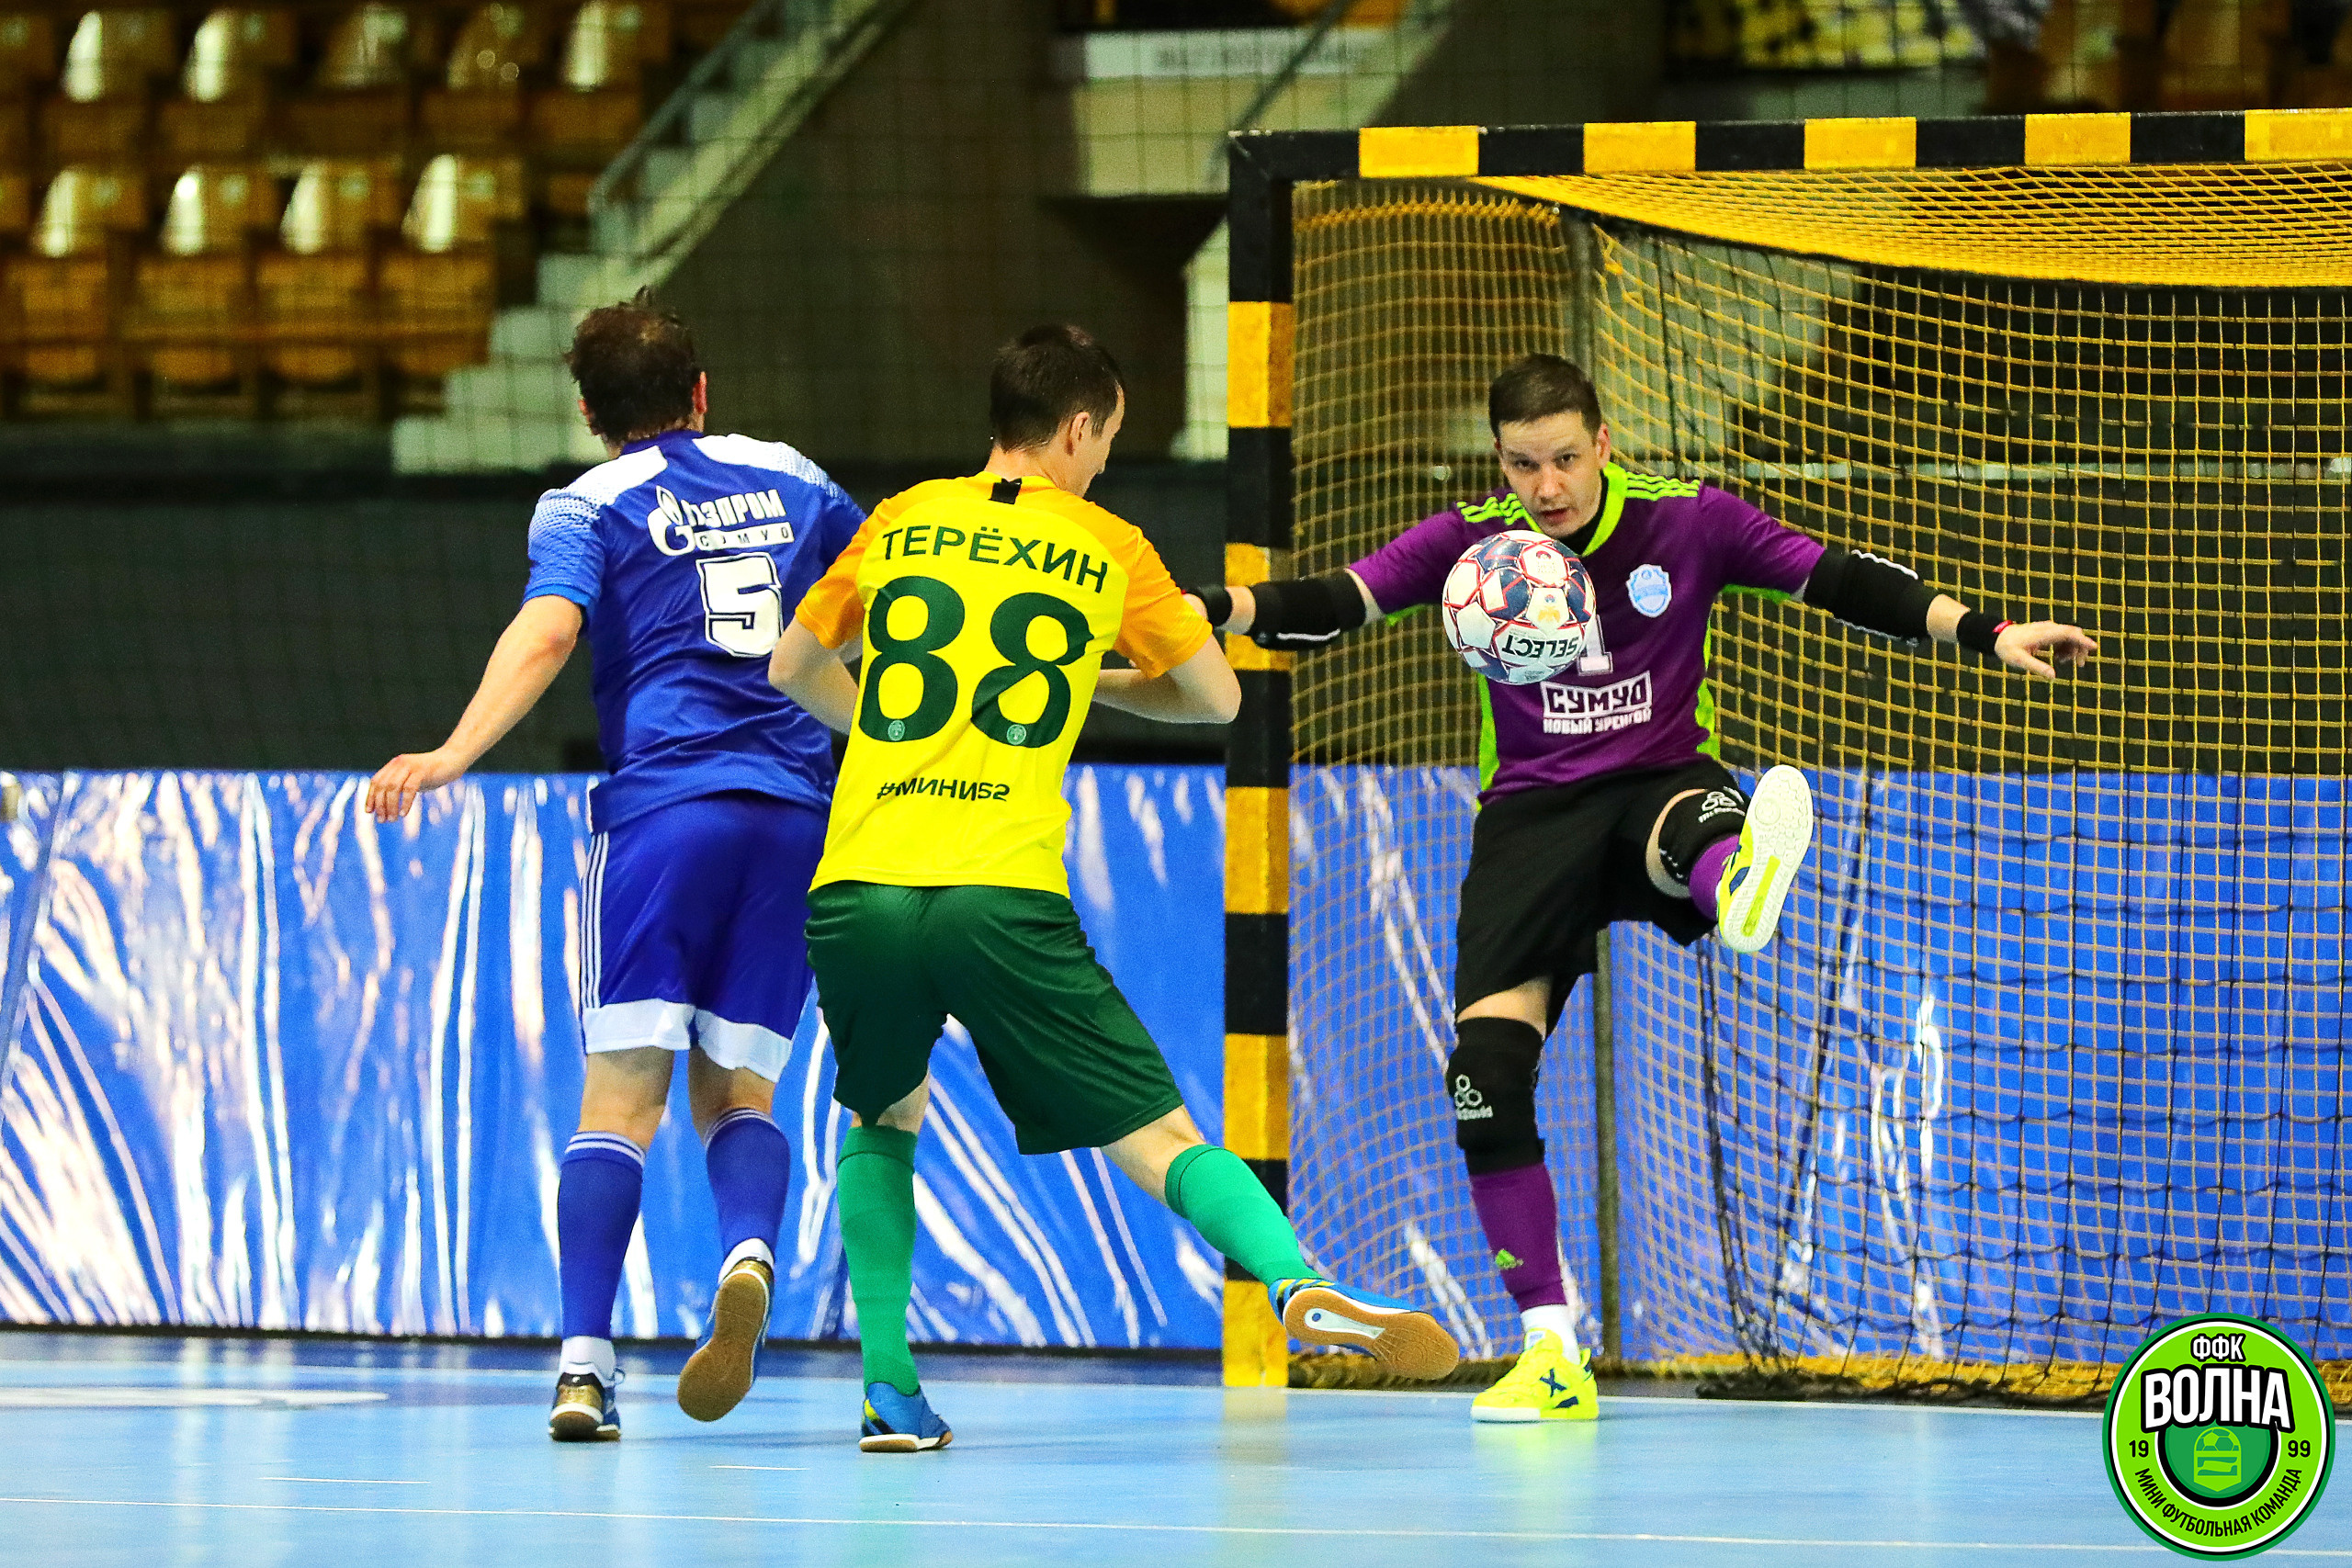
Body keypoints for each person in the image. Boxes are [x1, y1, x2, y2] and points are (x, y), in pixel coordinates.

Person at [1190, 353, 2098, 1424]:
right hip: (1528, 819)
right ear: (1500, 461)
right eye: (1524, 464)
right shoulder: (1473, 546)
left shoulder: (1687, 521)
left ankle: (1733, 881)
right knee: (1482, 1077)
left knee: (1686, 828)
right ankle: (1550, 1354)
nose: (1548, 488)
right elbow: (1333, 600)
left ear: (1605, 444)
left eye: (1566, 459)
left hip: (1658, 783)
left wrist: (1988, 632)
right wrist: (1199, 609)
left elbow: (1840, 578)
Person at [769, 323, 1461, 1452]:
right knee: (1156, 1136)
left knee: (882, 1116)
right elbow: (1217, 699)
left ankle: (888, 1393)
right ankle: (1294, 1284)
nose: (1103, 464)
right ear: (1078, 428)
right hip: (998, 890)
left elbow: (789, 668)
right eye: (1107, 442)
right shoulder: (1108, 547)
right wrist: (1094, 683)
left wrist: (895, 739)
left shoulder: (895, 522)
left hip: (859, 884)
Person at [366, 290, 866, 1441]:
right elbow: (885, 590)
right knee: (739, 1093)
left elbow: (547, 632)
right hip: (795, 816)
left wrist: (451, 751)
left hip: (665, 815)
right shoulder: (793, 473)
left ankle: (584, 1369)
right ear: (701, 393)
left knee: (622, 1098)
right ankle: (746, 1252)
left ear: (589, 412)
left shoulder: (583, 504)